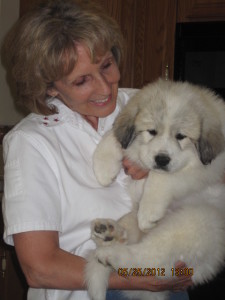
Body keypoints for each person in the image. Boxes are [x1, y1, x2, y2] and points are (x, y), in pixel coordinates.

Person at [1, 0, 192, 299]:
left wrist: (169, 168)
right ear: (50, 87)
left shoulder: (150, 105)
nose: (105, 88)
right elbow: (39, 266)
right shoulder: (32, 142)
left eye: (106, 65)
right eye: (81, 81)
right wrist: (138, 278)